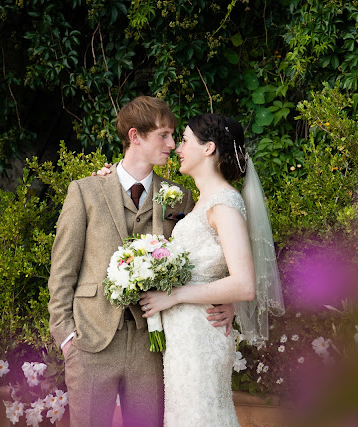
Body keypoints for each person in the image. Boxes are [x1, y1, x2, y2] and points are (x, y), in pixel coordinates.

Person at [47, 97, 235, 426]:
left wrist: (227, 299)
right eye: (163, 135)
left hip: (153, 344)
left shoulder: (181, 197)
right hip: (92, 340)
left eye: (174, 136)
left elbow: (203, 259)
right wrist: (65, 337)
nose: (172, 144)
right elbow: (63, 271)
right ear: (136, 136)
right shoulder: (86, 191)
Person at [102, 112, 285, 425]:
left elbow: (244, 284)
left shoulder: (224, 204)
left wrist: (174, 296)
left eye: (184, 140)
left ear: (209, 148)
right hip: (185, 338)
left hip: (202, 337)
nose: (177, 148)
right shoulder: (201, 201)